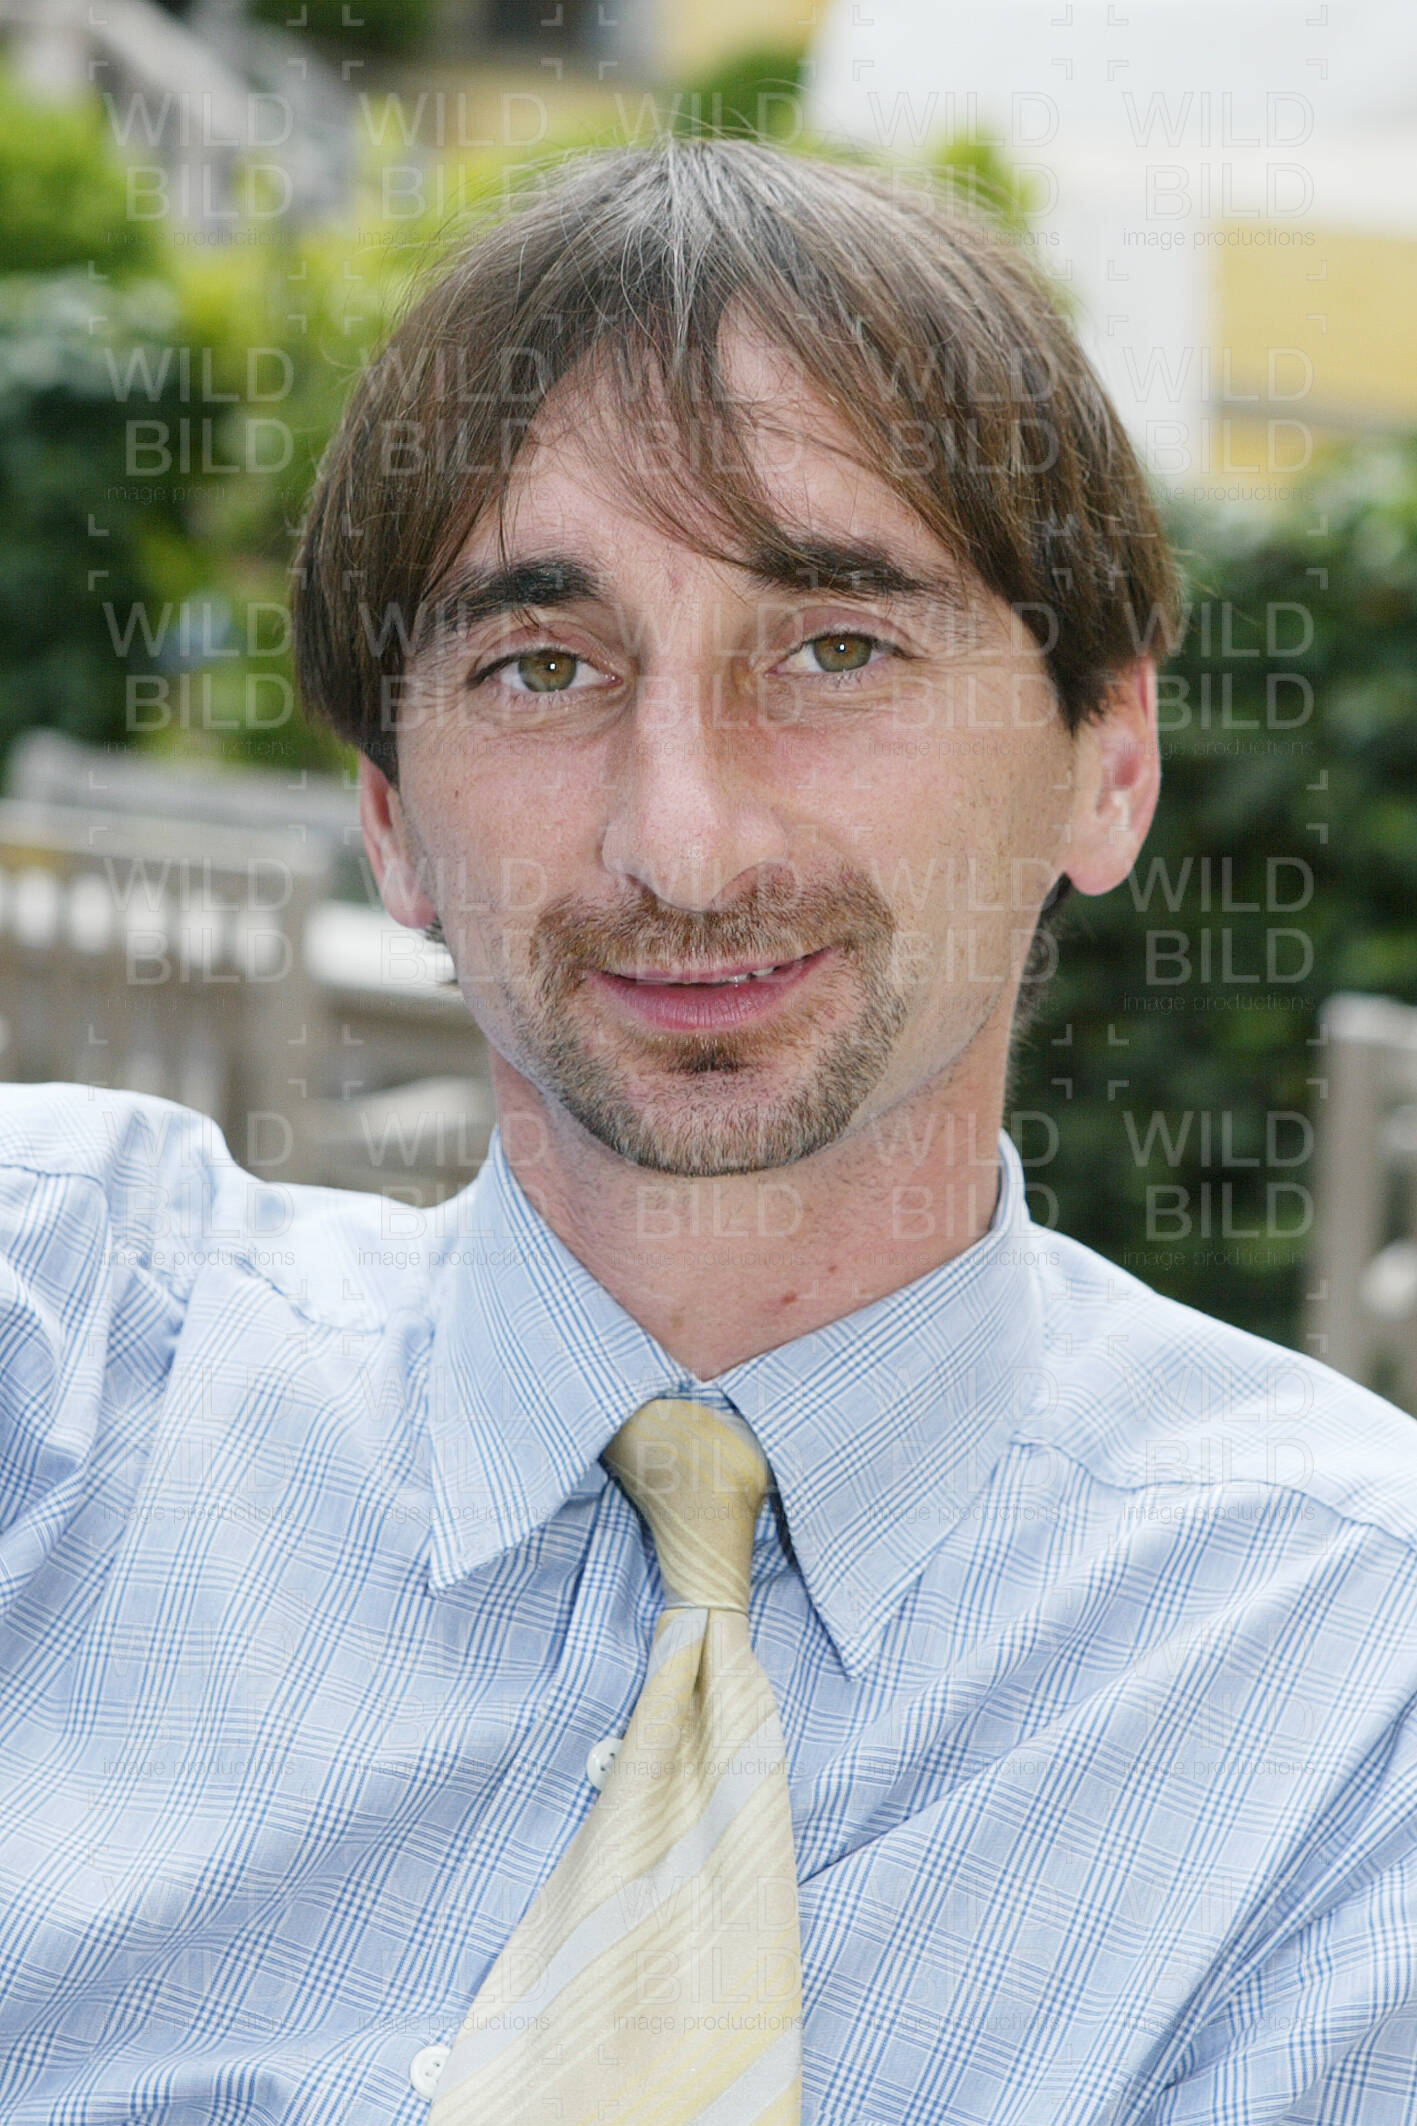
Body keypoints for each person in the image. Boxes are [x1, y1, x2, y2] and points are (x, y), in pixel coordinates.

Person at [2, 136, 1416, 2126]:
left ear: (1109, 760)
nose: (681, 842)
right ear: (391, 820)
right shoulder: (59, 1356)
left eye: (836, 647)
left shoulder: (1355, 1683)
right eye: (541, 666)